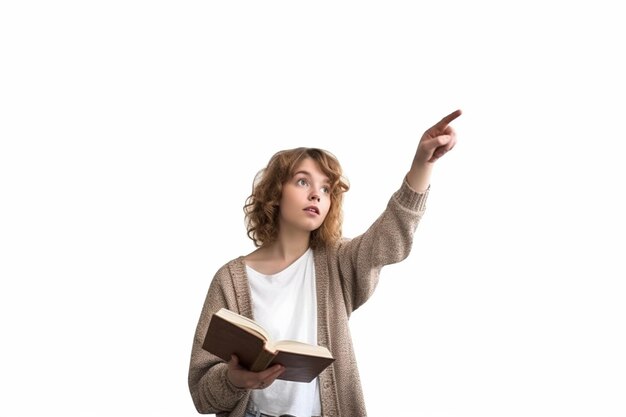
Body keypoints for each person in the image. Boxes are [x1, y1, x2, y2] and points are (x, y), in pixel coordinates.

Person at [188, 109, 462, 417]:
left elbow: (388, 240)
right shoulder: (229, 280)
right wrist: (233, 380)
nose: (316, 195)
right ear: (276, 193)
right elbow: (202, 393)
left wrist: (421, 164)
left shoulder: (338, 262)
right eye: (303, 182)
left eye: (326, 189)